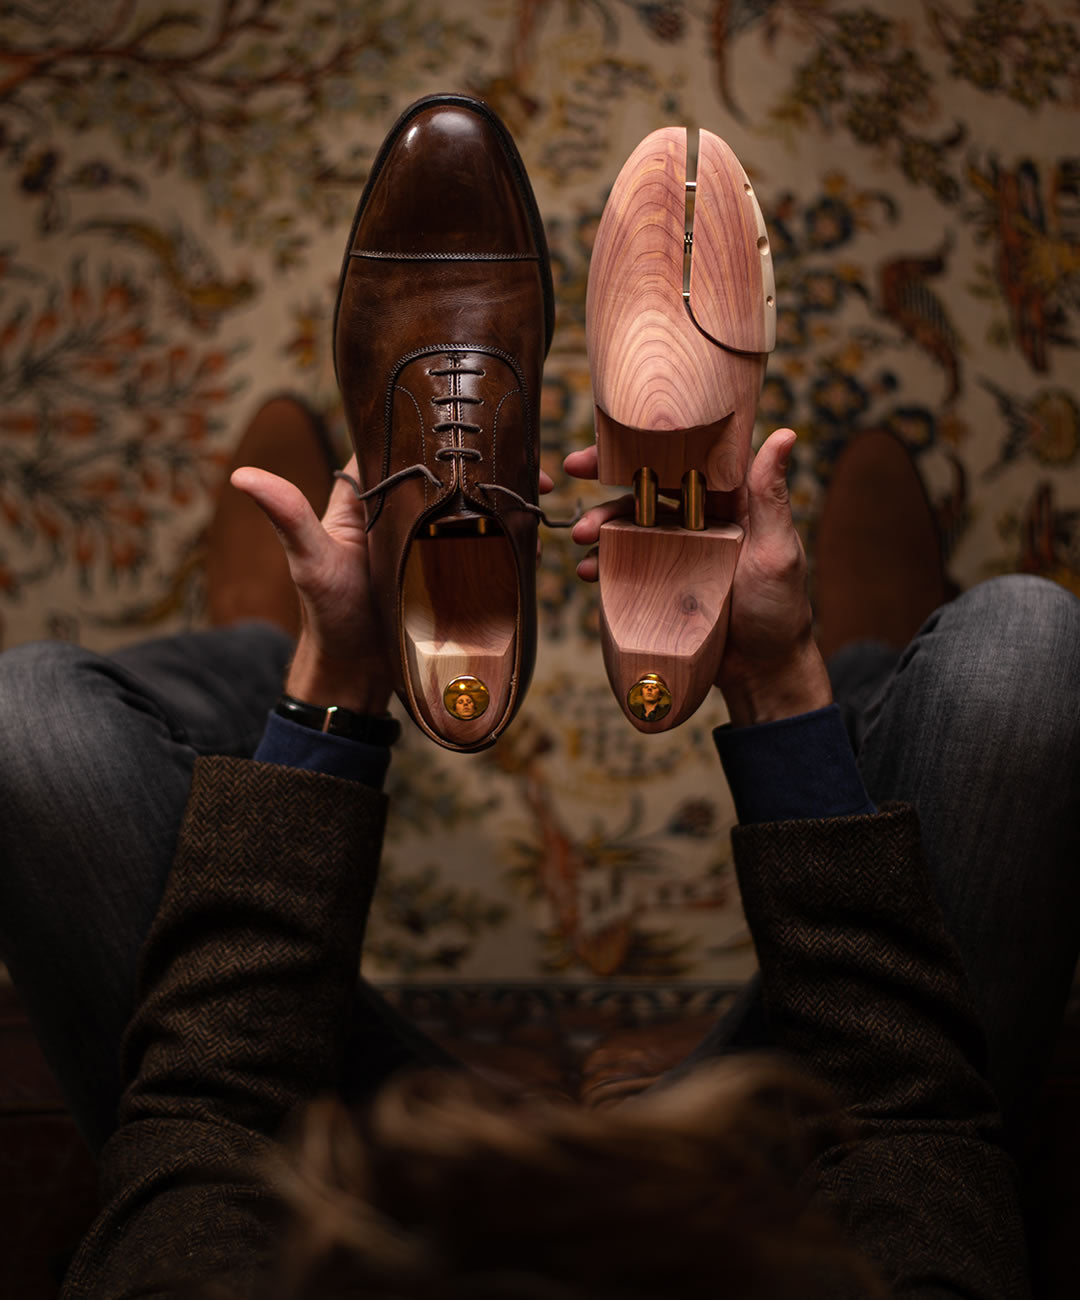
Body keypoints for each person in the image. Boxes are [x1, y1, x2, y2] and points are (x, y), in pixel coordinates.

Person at [1, 395, 1076, 1296]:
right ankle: (863, 661)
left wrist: (342, 676)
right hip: (791, 1182)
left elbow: (205, 1122)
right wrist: (777, 674)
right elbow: (910, 1130)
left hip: (348, 1195)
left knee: (26, 725)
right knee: (1025, 653)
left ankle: (267, 643)